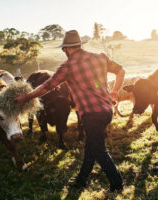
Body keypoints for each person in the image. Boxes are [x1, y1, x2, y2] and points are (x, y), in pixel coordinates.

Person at [14, 30, 125, 192]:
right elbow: (121, 71)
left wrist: (26, 97)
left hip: (91, 114)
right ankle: (81, 181)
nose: (64, 52)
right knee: (91, 147)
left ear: (67, 49)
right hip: (107, 111)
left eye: (63, 49)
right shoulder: (100, 57)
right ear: (79, 45)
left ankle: (117, 184)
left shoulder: (68, 66)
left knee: (99, 149)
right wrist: (114, 92)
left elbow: (47, 86)